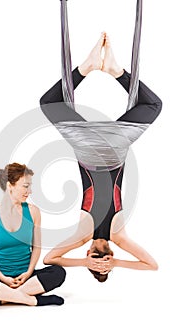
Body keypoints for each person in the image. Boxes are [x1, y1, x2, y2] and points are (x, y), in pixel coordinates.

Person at [40, 32, 162, 282]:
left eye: (94, 262)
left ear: (87, 254)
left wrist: (81, 262)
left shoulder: (82, 236)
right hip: (113, 148)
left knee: (49, 103)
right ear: (112, 254)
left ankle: (92, 67)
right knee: (152, 106)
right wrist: (117, 262)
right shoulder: (119, 236)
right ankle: (111, 70)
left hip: (88, 148)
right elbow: (152, 265)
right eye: (105, 262)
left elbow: (49, 259)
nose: (100, 260)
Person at [0, 163, 66, 307]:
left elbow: (36, 248)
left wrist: (28, 273)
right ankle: (33, 300)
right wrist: (3, 278)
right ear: (10, 186)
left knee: (58, 272)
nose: (30, 191)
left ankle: (0, 298)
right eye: (26, 186)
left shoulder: (33, 212)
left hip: (26, 277)